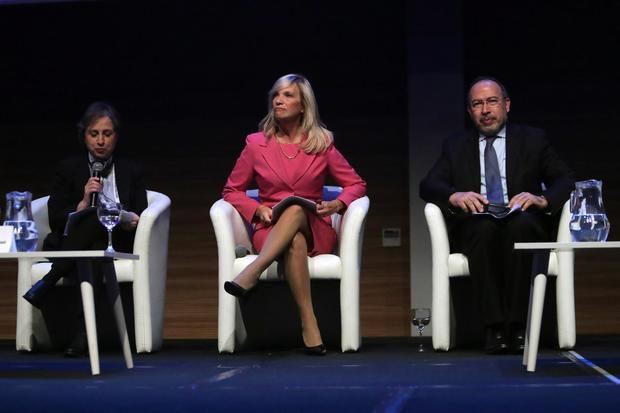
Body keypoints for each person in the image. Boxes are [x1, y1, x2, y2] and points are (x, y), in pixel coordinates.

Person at [419, 76, 574, 354]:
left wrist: (541, 199)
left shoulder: (532, 139)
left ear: (507, 105)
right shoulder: (456, 144)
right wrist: (455, 196)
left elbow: (564, 180)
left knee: (520, 229)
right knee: (483, 230)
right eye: (477, 104)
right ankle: (493, 327)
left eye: (492, 101)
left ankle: (516, 327)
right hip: (478, 222)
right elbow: (429, 185)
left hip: (522, 218)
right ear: (470, 112)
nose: (485, 110)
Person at [222, 74, 367, 356]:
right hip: (272, 229)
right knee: (295, 242)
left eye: (288, 95)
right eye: (276, 94)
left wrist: (337, 204)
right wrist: (257, 208)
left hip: (317, 228)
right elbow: (232, 190)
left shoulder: (321, 143)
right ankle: (309, 323)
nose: (279, 100)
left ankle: (252, 271)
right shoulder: (255, 144)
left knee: (298, 207)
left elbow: (357, 184)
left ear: (303, 106)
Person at [22, 101, 147, 356]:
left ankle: (50, 280)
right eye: (94, 134)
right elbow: (56, 217)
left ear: (116, 136)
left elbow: (140, 213)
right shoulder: (68, 168)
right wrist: (81, 204)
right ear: (84, 136)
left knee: (98, 229)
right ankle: (84, 335)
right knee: (92, 237)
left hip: (117, 240)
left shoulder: (131, 170)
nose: (100, 141)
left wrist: (127, 217)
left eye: (107, 134)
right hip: (80, 240)